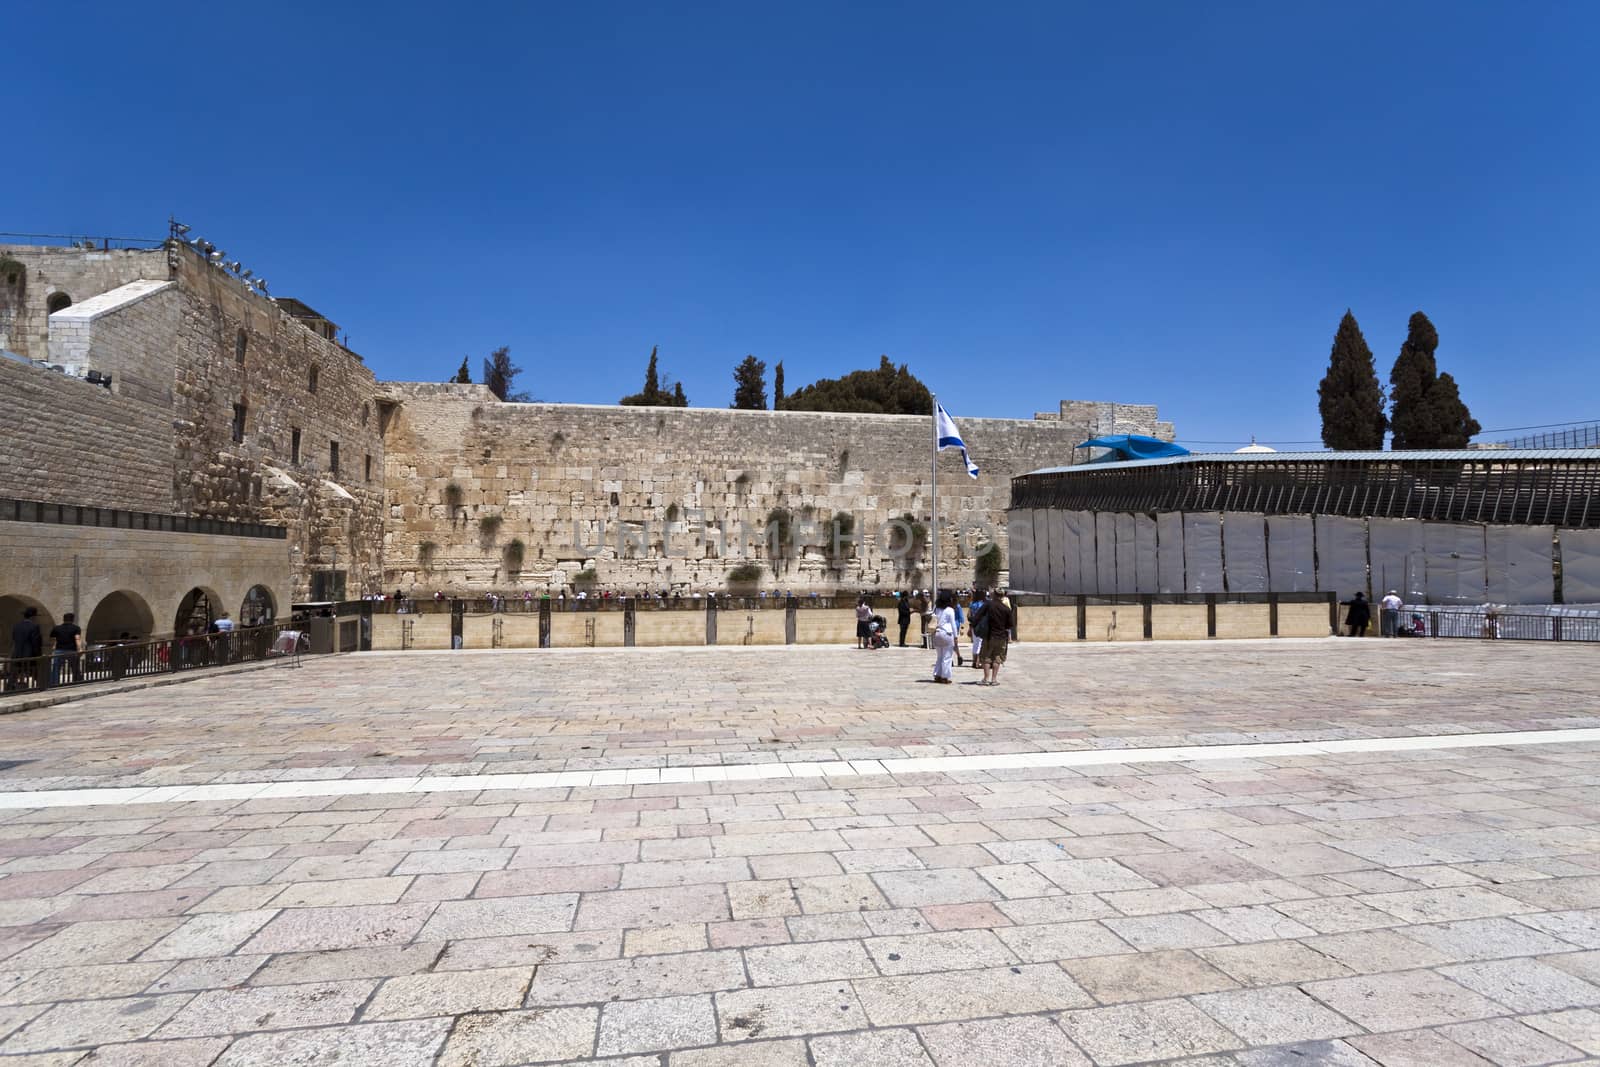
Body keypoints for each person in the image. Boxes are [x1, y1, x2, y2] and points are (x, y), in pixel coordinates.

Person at [976, 589, 1014, 686]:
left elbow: (978, 616)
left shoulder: (988, 605)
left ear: (994, 595)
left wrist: (974, 625)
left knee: (986, 657)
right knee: (997, 658)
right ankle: (994, 679)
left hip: (989, 635)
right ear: (1002, 596)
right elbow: (1010, 625)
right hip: (1001, 637)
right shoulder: (1006, 609)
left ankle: (985, 679)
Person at [8, 607, 43, 691]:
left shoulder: (16, 626)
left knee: (14, 673)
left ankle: (9, 688)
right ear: (33, 617)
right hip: (30, 655)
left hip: (17, 654)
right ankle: (40, 688)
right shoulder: (34, 626)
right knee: (35, 672)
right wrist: (38, 655)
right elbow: (35, 642)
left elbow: (14, 639)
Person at [48, 611, 83, 687]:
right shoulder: (76, 628)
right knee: (75, 667)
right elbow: (77, 638)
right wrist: (79, 649)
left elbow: (52, 638)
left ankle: (54, 683)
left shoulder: (57, 628)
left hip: (59, 650)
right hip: (71, 650)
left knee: (56, 667)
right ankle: (77, 682)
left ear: (63, 619)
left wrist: (54, 645)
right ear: (72, 620)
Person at [931, 591, 957, 683]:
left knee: (939, 656)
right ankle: (945, 676)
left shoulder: (936, 608)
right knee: (947, 656)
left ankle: (937, 674)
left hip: (937, 633)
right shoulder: (950, 610)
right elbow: (953, 624)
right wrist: (956, 636)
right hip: (947, 633)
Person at [968, 589, 987, 666]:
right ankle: (978, 662)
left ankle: (974, 660)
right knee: (980, 643)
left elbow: (968, 616)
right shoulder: (983, 604)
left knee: (975, 643)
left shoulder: (972, 604)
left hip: (973, 625)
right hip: (981, 625)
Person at [951, 595, 966, 667]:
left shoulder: (957, 607)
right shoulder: (957, 606)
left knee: (953, 643)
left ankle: (956, 657)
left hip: (954, 626)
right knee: (953, 643)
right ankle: (957, 657)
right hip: (954, 626)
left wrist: (961, 628)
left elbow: (961, 618)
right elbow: (961, 618)